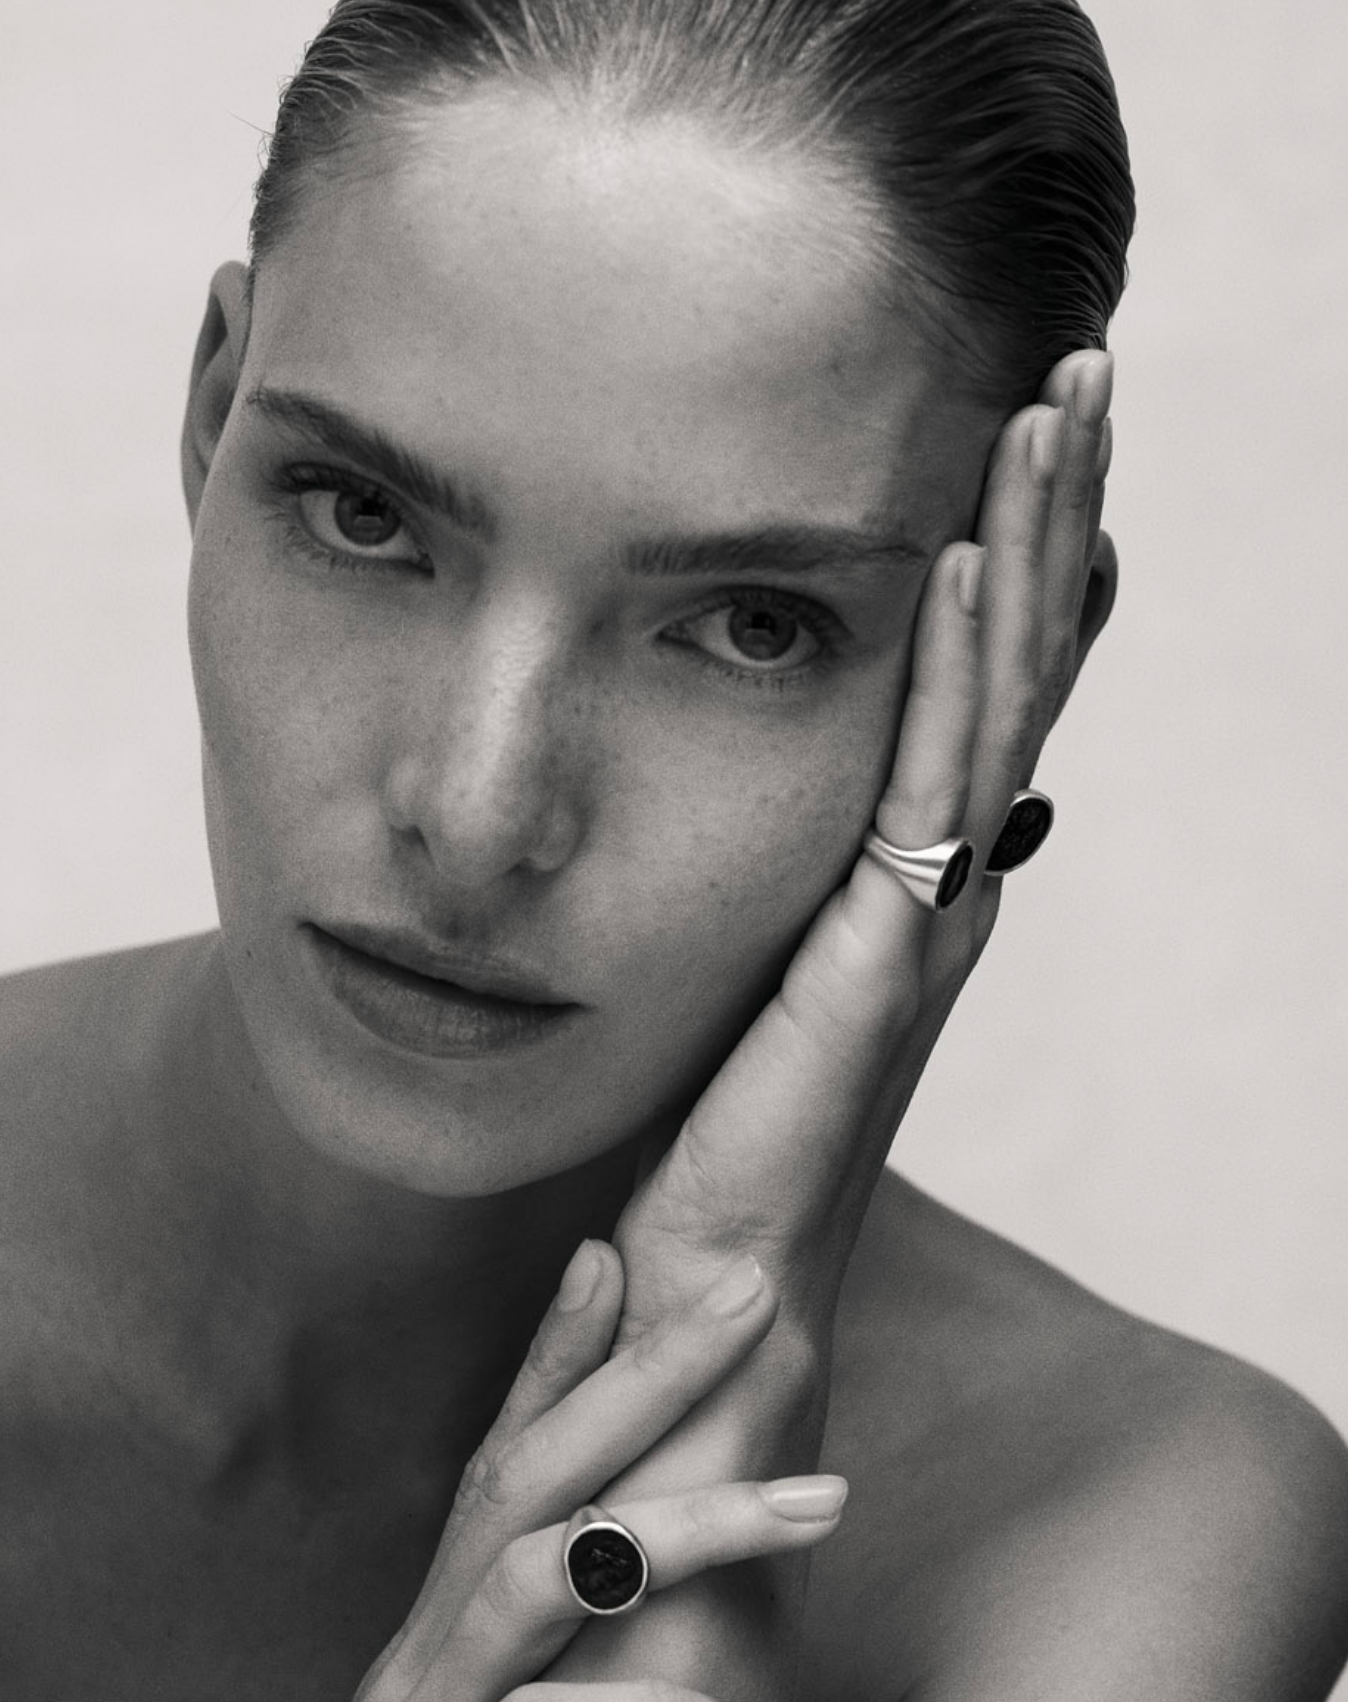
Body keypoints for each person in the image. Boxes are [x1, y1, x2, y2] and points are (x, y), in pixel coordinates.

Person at [3, 0, 1347, 1697]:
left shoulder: (1122, 1525)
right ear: (215, 422)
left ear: (1017, 660)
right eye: (365, 516)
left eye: (751, 625)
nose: (479, 815)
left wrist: (720, 1317)